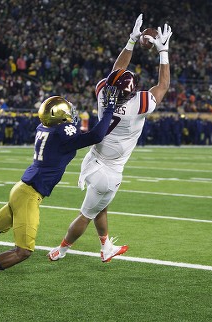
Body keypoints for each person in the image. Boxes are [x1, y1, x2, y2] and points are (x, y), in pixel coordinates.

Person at [0, 88, 119, 292]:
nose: (72, 115)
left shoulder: (44, 128)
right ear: (60, 116)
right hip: (29, 194)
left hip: (21, 189)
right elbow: (97, 135)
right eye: (67, 111)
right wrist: (110, 109)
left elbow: (72, 133)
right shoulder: (62, 132)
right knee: (24, 251)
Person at [47, 14, 172, 263]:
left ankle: (106, 247)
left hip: (93, 159)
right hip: (110, 171)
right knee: (87, 214)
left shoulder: (104, 93)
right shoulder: (140, 104)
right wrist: (164, 52)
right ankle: (60, 250)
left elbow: (117, 71)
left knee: (100, 206)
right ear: (133, 91)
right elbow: (163, 85)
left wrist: (131, 41)